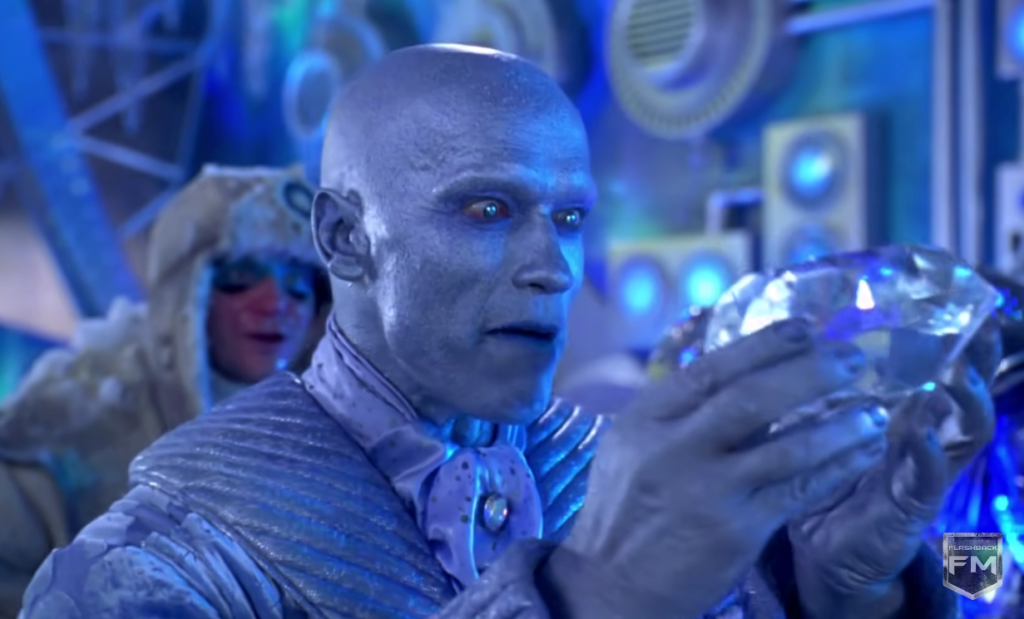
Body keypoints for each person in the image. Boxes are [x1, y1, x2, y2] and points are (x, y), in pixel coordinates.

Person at [20, 44, 998, 618]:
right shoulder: (154, 564)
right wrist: (587, 596)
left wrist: (842, 586)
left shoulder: (643, 485)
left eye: (568, 218)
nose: (554, 266)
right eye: (486, 210)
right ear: (346, 239)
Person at [0, 165, 329, 615]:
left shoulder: (334, 437)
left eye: (298, 287)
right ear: (187, 291)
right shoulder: (68, 426)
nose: (274, 305)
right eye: (241, 278)